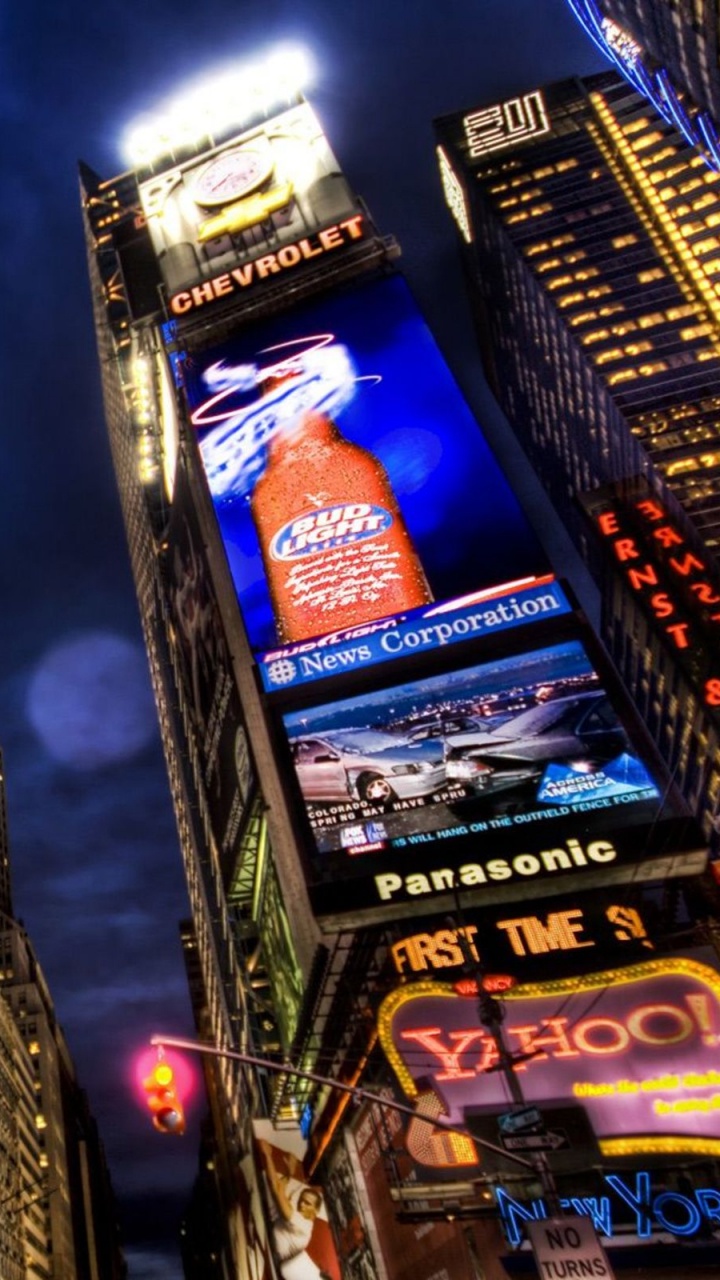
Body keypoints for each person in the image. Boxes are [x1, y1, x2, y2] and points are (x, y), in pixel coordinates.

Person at [258, 1139, 325, 1280]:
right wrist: (288, 1174)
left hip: (283, 1268)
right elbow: (280, 1190)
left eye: (307, 1204)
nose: (301, 1205)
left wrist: (268, 1155)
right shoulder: (298, 1215)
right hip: (277, 1262)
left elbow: (276, 1190)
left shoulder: (302, 1225)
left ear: (315, 1211)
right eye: (301, 1201)